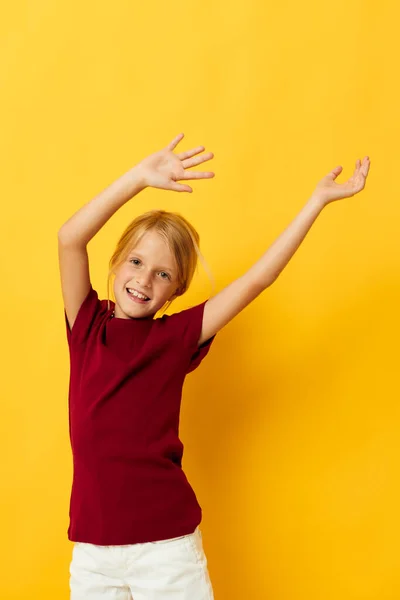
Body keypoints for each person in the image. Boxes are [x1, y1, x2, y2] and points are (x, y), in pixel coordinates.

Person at [58, 133, 370, 599]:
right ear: (116, 262)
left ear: (177, 290)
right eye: (136, 262)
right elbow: (69, 238)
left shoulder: (176, 336)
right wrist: (140, 179)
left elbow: (259, 279)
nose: (143, 280)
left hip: (165, 552)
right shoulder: (86, 325)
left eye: (162, 274)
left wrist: (316, 202)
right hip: (93, 555)